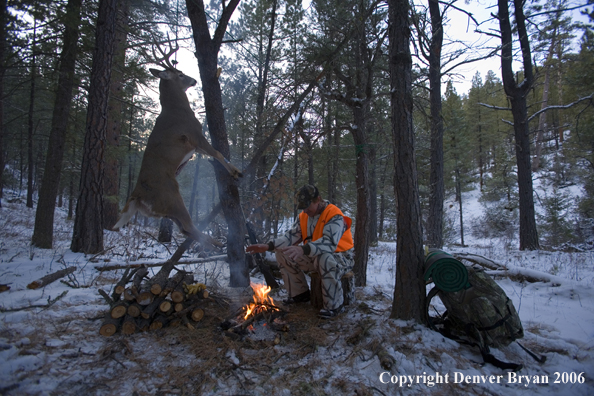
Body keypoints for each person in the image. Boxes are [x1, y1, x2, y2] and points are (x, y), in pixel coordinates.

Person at [246, 184, 354, 318]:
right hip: (315, 255)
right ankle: (300, 294)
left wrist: (303, 249)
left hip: (340, 257)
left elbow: (329, 242)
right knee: (283, 253)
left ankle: (334, 306)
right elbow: (291, 236)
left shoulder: (334, 215)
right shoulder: (304, 216)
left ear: (318, 199)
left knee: (324, 259)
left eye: (308, 206)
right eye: (303, 207)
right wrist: (269, 246)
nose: (305, 210)